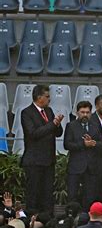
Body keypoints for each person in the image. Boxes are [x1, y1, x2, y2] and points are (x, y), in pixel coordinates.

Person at [20, 84, 64, 214]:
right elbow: (33, 133)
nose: (49, 99)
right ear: (39, 97)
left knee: (47, 193)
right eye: (47, 96)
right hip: (34, 161)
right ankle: (32, 222)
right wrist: (52, 124)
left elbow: (58, 133)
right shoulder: (27, 112)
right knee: (33, 193)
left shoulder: (49, 111)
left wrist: (57, 124)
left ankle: (47, 221)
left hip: (48, 161)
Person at [64, 101, 102, 208]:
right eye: (82, 112)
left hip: (91, 168)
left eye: (87, 112)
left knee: (90, 197)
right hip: (75, 167)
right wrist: (83, 144)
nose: (85, 115)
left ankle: (88, 219)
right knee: (72, 196)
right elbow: (67, 144)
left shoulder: (95, 126)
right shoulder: (71, 126)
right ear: (77, 112)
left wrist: (93, 143)